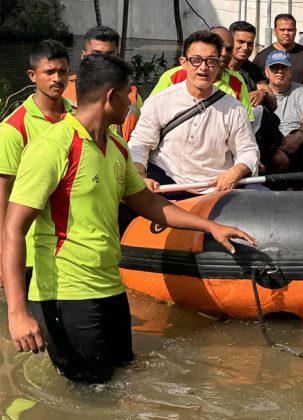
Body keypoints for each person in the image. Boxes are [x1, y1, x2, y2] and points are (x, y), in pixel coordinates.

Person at [2, 53, 257, 383]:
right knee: (90, 392)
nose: (132, 105)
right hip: (65, 292)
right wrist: (17, 312)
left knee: (122, 374)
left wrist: (210, 226)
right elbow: (13, 228)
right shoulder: (53, 148)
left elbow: (150, 204)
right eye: (128, 95)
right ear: (111, 96)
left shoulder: (117, 147)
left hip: (109, 285)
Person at [129, 31, 260, 199]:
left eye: (211, 61)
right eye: (196, 60)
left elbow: (248, 151)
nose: (203, 67)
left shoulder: (234, 109)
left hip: (215, 188)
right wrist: (141, 177)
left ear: (220, 63)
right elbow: (139, 145)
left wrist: (236, 172)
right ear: (184, 62)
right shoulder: (159, 101)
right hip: (165, 182)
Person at [0, 40, 72, 288]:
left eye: (62, 71)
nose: (57, 78)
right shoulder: (13, 127)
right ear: (33, 76)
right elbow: (2, 195)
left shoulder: (76, 118)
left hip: (70, 249)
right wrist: (3, 256)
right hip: (29, 250)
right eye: (49, 72)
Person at [149, 27, 254, 121]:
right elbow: (150, 115)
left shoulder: (237, 82)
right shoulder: (173, 76)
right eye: (219, 47)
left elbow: (244, 125)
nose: (224, 53)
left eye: (229, 49)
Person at [62, 25, 143, 142]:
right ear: (83, 56)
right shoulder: (62, 92)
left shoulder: (132, 97)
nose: (103, 61)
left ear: (118, 57)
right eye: (96, 55)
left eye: (109, 55)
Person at [265, 50, 303, 174]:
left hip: (297, 142)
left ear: (291, 72)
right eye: (274, 68)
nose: (279, 71)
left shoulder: (301, 90)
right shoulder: (261, 92)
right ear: (266, 72)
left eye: (283, 67)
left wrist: (300, 135)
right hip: (272, 145)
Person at [253, 14, 303, 100]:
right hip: (271, 110)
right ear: (274, 32)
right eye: (282, 30)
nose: (286, 33)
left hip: (302, 110)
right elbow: (254, 89)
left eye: (290, 30)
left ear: (295, 31)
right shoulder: (261, 57)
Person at [227, 20, 277, 111]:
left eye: (250, 44)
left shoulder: (253, 69)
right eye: (241, 42)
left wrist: (262, 93)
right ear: (230, 41)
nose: (245, 48)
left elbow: (274, 104)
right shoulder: (217, 67)